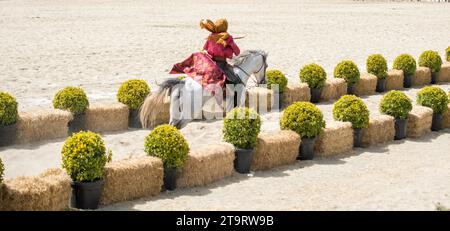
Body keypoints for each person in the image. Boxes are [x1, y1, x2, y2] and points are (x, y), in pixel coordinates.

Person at [200, 19, 242, 85]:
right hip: (221, 64)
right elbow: (237, 52)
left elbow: (204, 48)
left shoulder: (211, 36)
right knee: (235, 81)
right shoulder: (227, 37)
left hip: (210, 61)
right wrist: (230, 42)